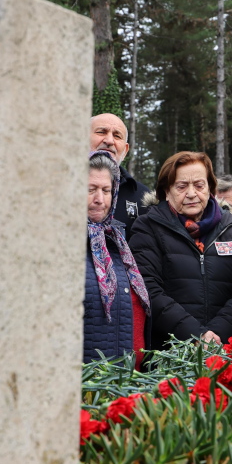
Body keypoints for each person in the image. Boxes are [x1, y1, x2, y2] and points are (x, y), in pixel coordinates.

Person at [129, 151, 232, 348]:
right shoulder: (147, 227)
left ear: (210, 189)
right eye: (181, 186)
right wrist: (195, 335)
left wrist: (217, 333)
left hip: (226, 348)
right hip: (170, 351)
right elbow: (148, 289)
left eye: (199, 185)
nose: (191, 194)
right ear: (166, 190)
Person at [83, 151, 150, 365]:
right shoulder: (58, 244)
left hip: (122, 381)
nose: (99, 200)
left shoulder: (117, 242)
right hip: (87, 382)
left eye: (106, 190)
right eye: (90, 189)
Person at [90, 113, 149, 234]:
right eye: (101, 132)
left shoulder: (144, 198)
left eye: (117, 136)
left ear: (126, 150)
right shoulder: (56, 186)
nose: (109, 141)